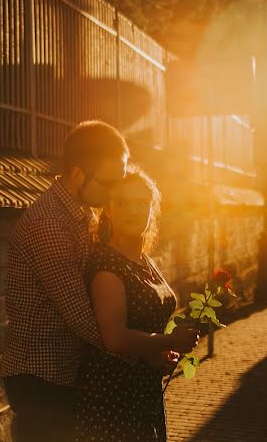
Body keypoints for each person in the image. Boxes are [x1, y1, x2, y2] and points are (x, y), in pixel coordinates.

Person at [1, 121, 197, 441]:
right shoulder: (49, 225)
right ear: (77, 173)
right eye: (108, 184)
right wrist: (147, 352)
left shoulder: (82, 211)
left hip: (70, 369)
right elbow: (84, 320)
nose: (112, 193)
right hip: (42, 374)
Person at [76, 168, 195, 442]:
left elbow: (143, 328)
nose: (133, 210)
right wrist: (169, 341)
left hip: (143, 392)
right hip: (113, 398)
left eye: (142, 203)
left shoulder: (143, 260)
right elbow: (115, 338)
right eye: (123, 203)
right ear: (108, 208)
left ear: (152, 209)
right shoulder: (107, 265)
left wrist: (159, 353)